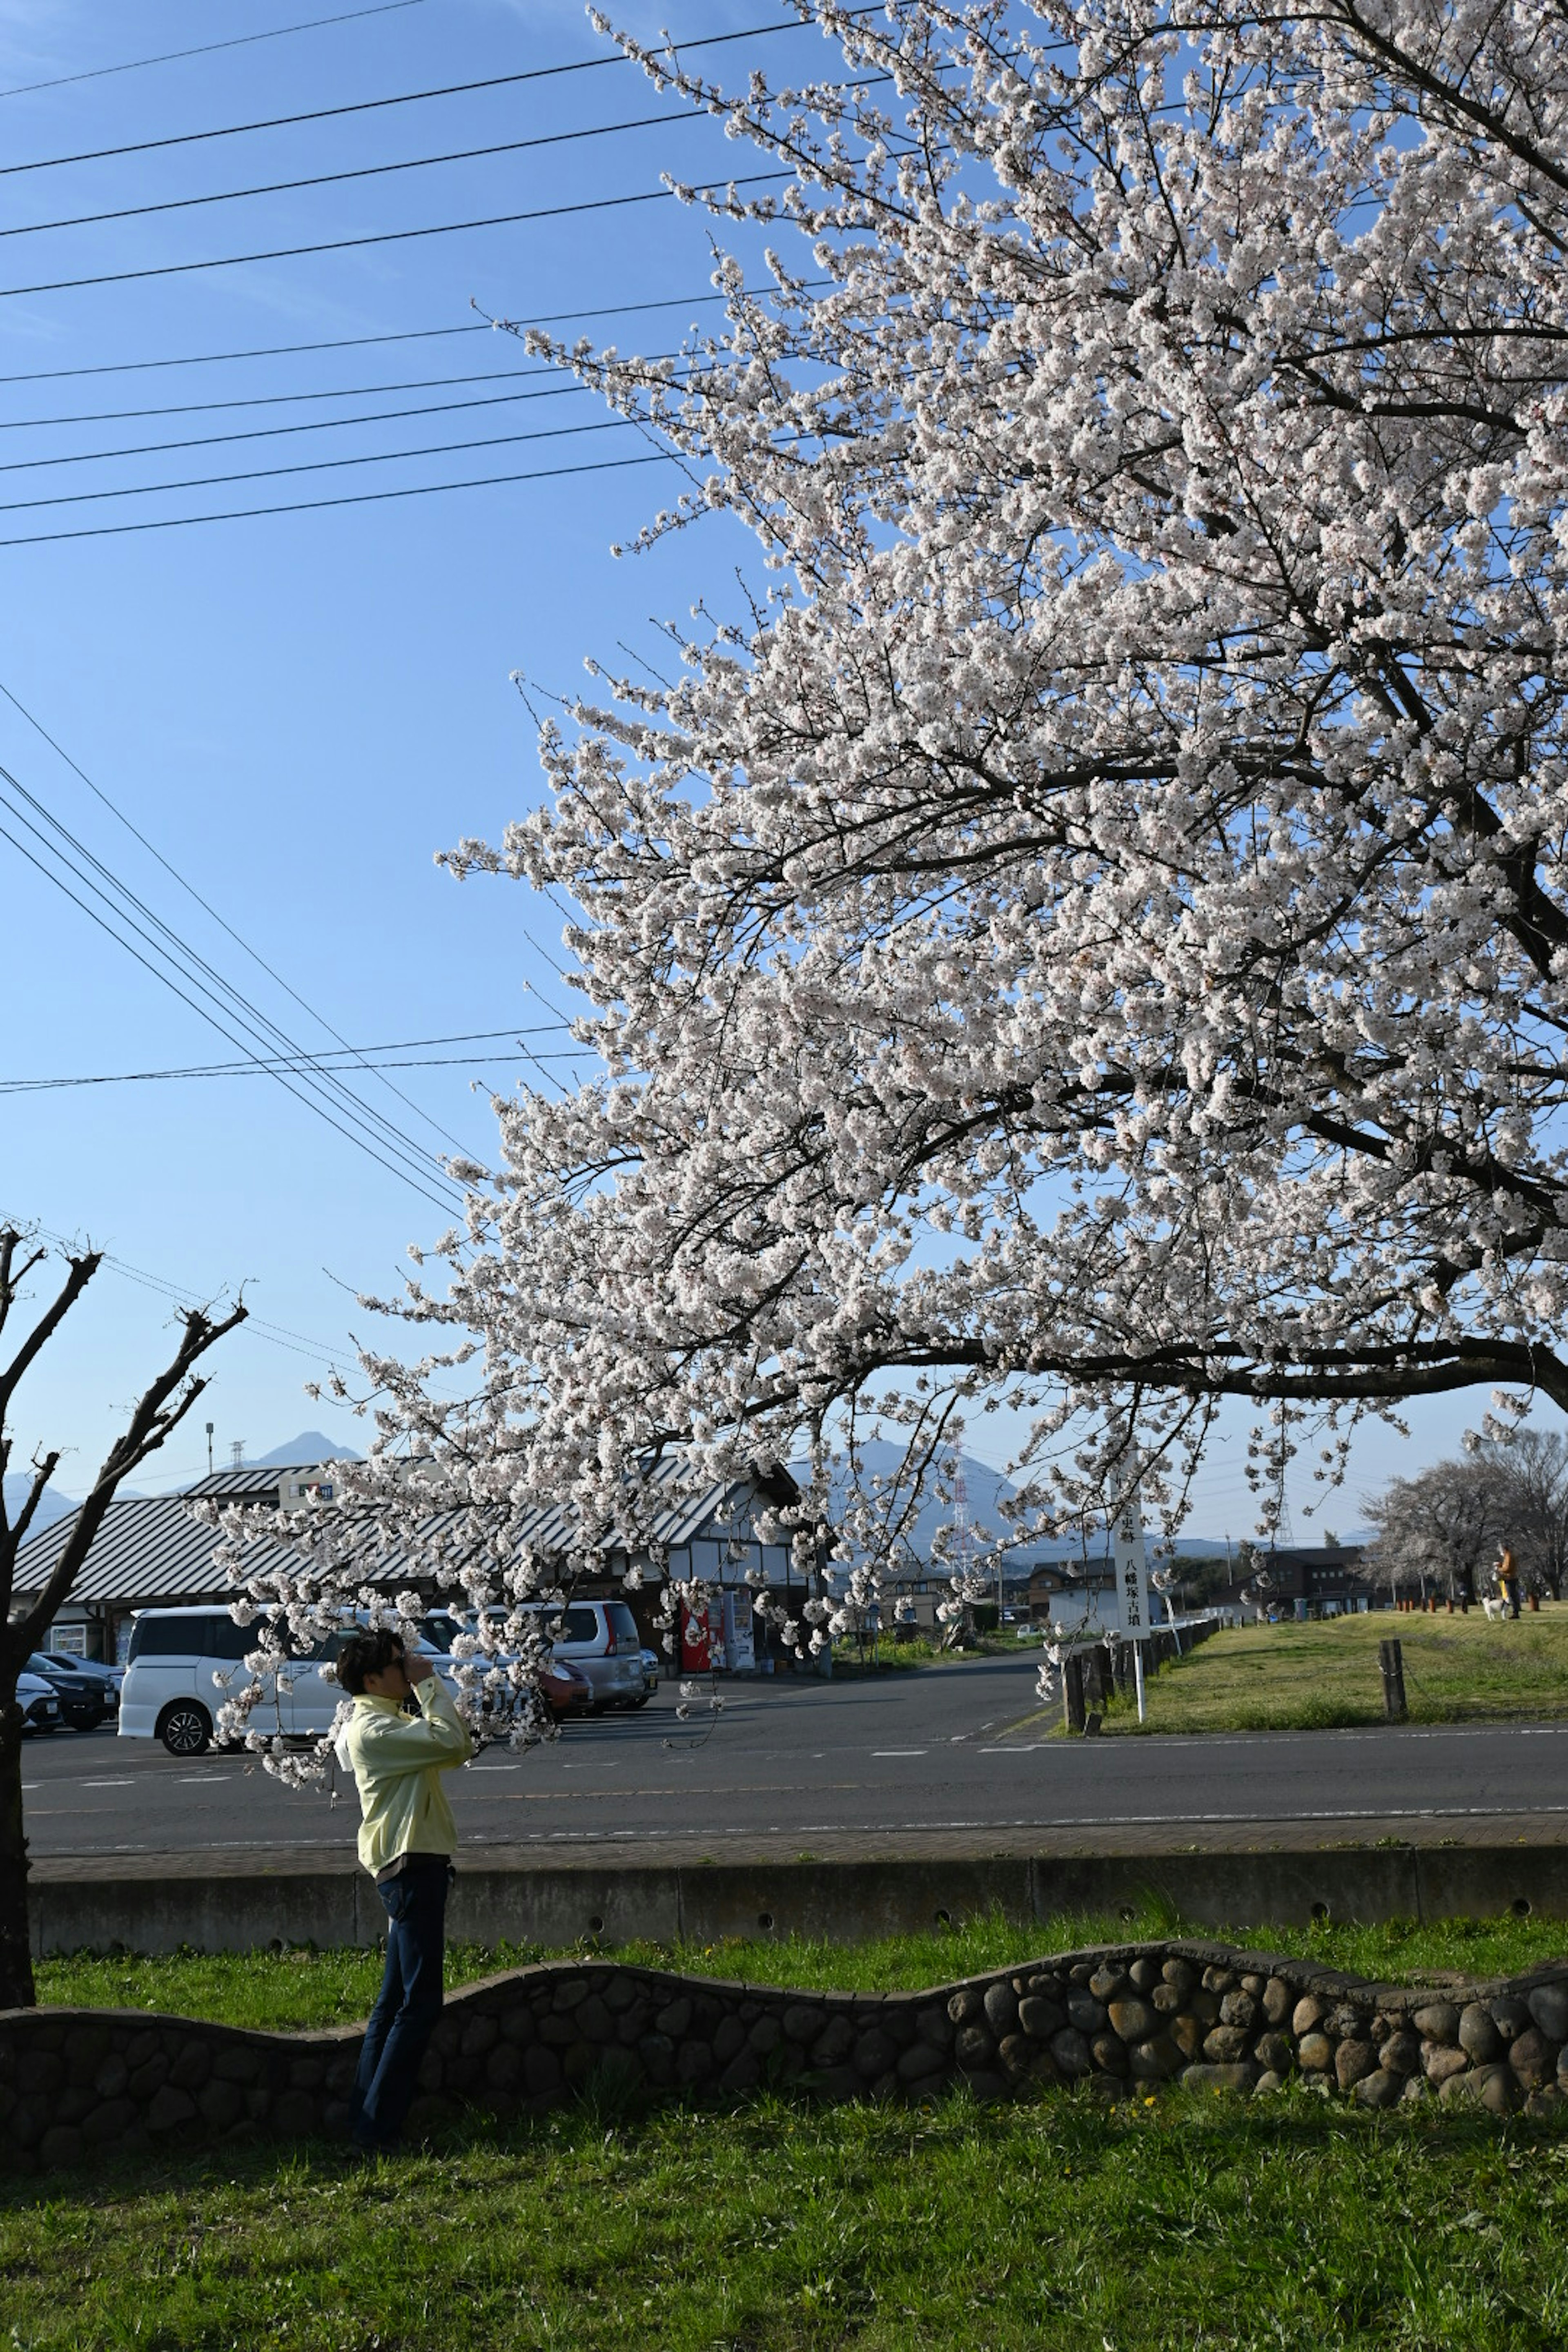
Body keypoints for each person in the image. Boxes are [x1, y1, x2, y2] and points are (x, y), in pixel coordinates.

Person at [334, 1626, 473, 2154]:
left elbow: (452, 1744)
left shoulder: (386, 1722)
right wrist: (432, 1683)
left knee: (393, 2003)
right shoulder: (374, 1731)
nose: (409, 1666)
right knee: (419, 2004)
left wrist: (421, 1691)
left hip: (410, 1868)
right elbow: (455, 1742)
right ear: (373, 1678)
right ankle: (377, 2132)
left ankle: (366, 2121)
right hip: (411, 1871)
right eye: (398, 1663)